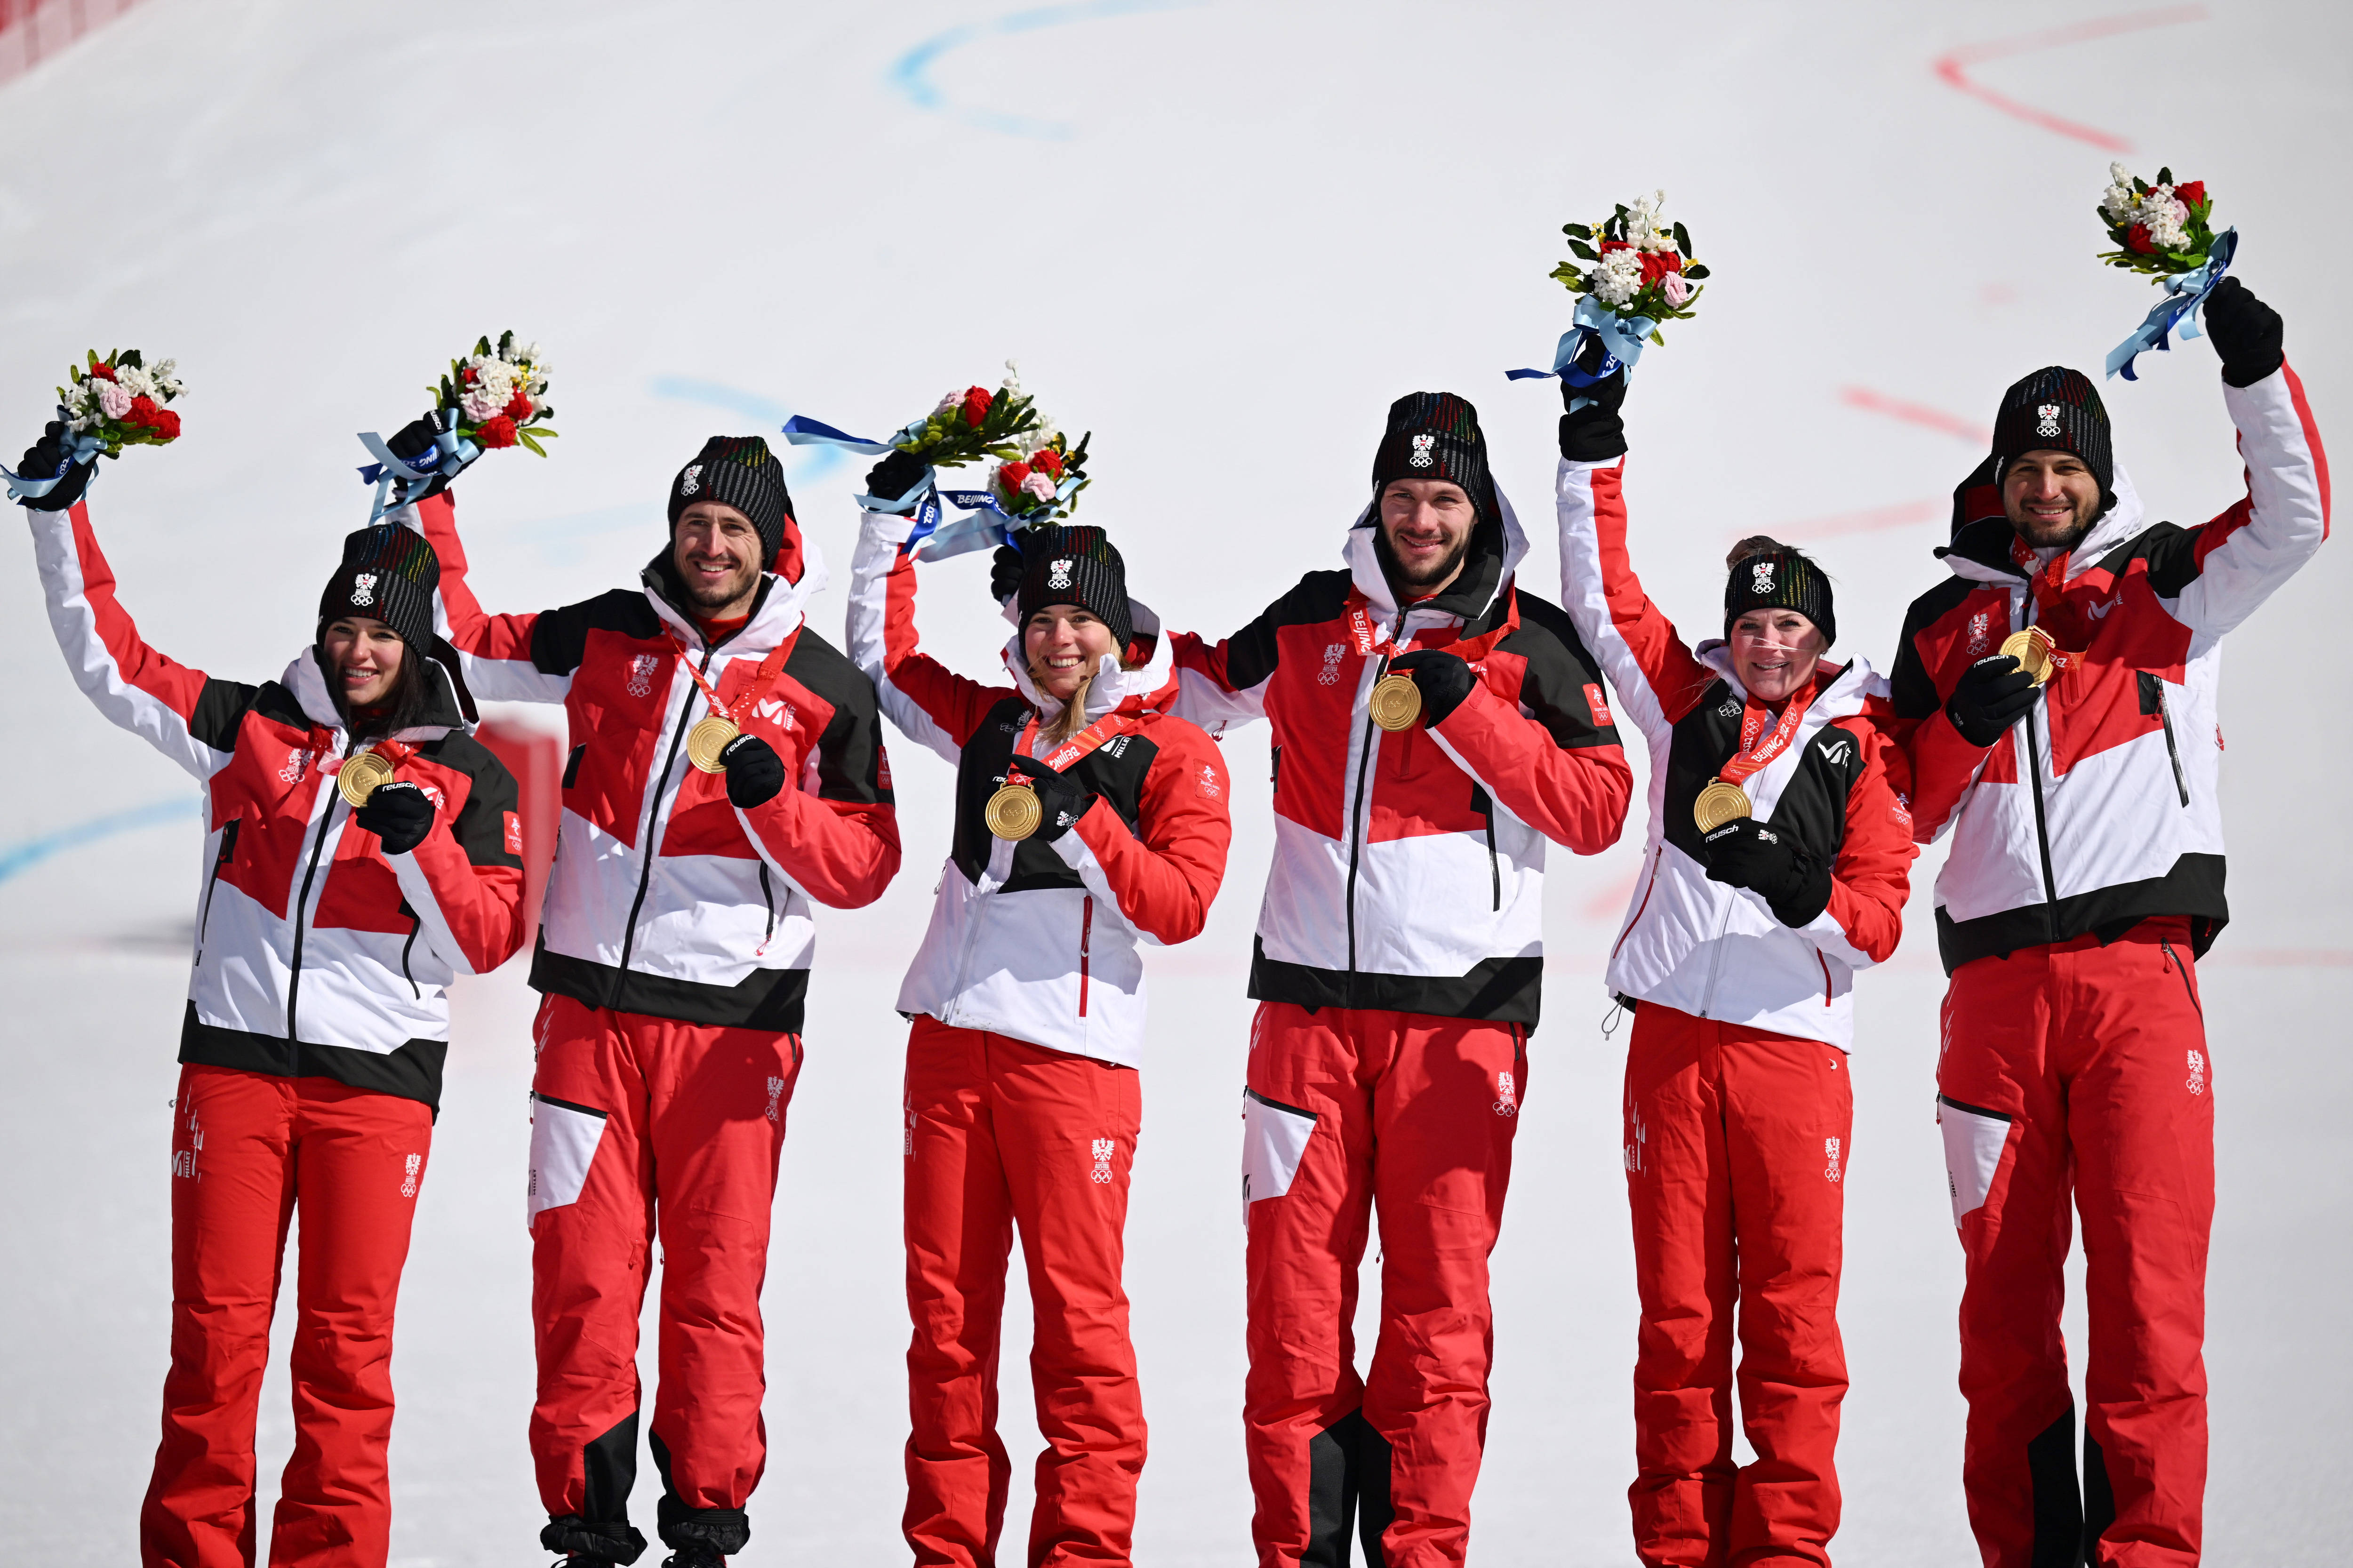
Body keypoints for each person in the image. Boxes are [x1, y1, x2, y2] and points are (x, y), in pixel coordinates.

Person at [17, 423, 528, 1568]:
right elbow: (114, 661)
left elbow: (485, 942)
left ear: (415, 641)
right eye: (342, 629)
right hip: (234, 1076)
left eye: (379, 633)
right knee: (214, 1344)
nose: (357, 651)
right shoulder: (254, 728)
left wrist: (422, 851)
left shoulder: (466, 774)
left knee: (346, 1357)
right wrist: (58, 515)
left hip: (374, 1095)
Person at [1140, 392, 1633, 1565]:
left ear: (1478, 509)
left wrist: (1469, 710)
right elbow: (1190, 693)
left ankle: (1421, 1550)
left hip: (1460, 1029)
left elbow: (1599, 807)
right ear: (1379, 500)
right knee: (1293, 1307)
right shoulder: (1316, 618)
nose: (1421, 518)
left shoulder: (1532, 640)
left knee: (1437, 1312)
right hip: (1304, 1020)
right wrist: (1091, 620)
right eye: (1403, 496)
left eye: (1444, 498)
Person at [397, 425, 902, 1568]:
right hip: (587, 1017)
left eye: (731, 528)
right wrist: (429, 505)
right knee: (582, 1274)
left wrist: (776, 803)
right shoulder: (608, 633)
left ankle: (705, 1528)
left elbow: (867, 866)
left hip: (734, 1036)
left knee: (715, 1288)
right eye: (693, 525)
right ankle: (585, 1524)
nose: (709, 546)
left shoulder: (824, 685)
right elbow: (470, 644)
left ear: (773, 543)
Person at [1886, 278, 2325, 1567]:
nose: (2046, 488)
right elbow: (1899, 810)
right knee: (2006, 1318)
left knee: (2147, 1301)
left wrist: (2255, 365)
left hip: (2139, 983)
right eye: (2026, 467)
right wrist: (1962, 723)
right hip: (1996, 1006)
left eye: (2067, 467)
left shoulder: (2166, 584)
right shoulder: (1941, 625)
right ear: (1998, 477)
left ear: (2099, 476)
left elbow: (2296, 520)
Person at [1550, 364, 1916, 1567]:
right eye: (1752, 624)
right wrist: (1588, 448)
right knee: (1678, 1316)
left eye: (1790, 628)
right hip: (1669, 1043)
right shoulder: (1680, 703)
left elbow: (1877, 918)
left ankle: (1787, 1549)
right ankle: (1676, 1546)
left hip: (1793, 1055)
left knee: (1793, 1317)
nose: (1767, 643)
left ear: (1819, 640)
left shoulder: (1857, 747)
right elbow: (1602, 596)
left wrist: (1789, 882)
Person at [848, 449, 1233, 1568]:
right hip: (950, 1050)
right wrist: (885, 525)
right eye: (1041, 618)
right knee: (948, 1331)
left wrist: (1077, 819)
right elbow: (882, 661)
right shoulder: (984, 725)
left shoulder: (1174, 750)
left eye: (1082, 621)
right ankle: (947, 1551)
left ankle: (1083, 1553)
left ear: (1118, 632)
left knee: (1078, 1330)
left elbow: (1181, 907)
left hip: (1072, 1068)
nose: (1059, 639)